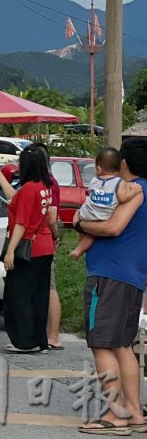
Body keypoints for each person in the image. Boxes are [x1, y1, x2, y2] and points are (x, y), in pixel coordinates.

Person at [74, 137, 147, 434]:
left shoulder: (132, 191)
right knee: (122, 346)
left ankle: (116, 414)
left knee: (101, 343)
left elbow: (112, 227)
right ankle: (133, 412)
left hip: (108, 277)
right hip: (132, 278)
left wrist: (79, 224)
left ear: (125, 163)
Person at [0, 145, 55, 353]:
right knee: (39, 296)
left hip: (28, 248)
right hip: (45, 246)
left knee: (18, 295)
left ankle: (24, 341)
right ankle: (40, 339)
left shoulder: (30, 188)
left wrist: (10, 251)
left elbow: (21, 223)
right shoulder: (44, 186)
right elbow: (18, 199)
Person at [69, 147, 142, 260]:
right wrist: (134, 190)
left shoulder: (94, 180)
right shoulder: (119, 182)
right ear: (121, 166)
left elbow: (91, 193)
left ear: (99, 169)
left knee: (84, 228)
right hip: (102, 215)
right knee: (92, 234)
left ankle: (79, 246)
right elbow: (123, 197)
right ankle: (79, 250)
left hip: (86, 212)